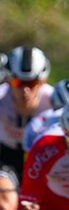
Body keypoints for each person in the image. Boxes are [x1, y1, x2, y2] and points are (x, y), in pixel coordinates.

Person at [0, 46, 53, 179]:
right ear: (8, 81)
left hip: (41, 157)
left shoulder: (54, 102)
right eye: (19, 83)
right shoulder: (1, 97)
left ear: (42, 82)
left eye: (32, 83)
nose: (25, 90)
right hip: (4, 154)